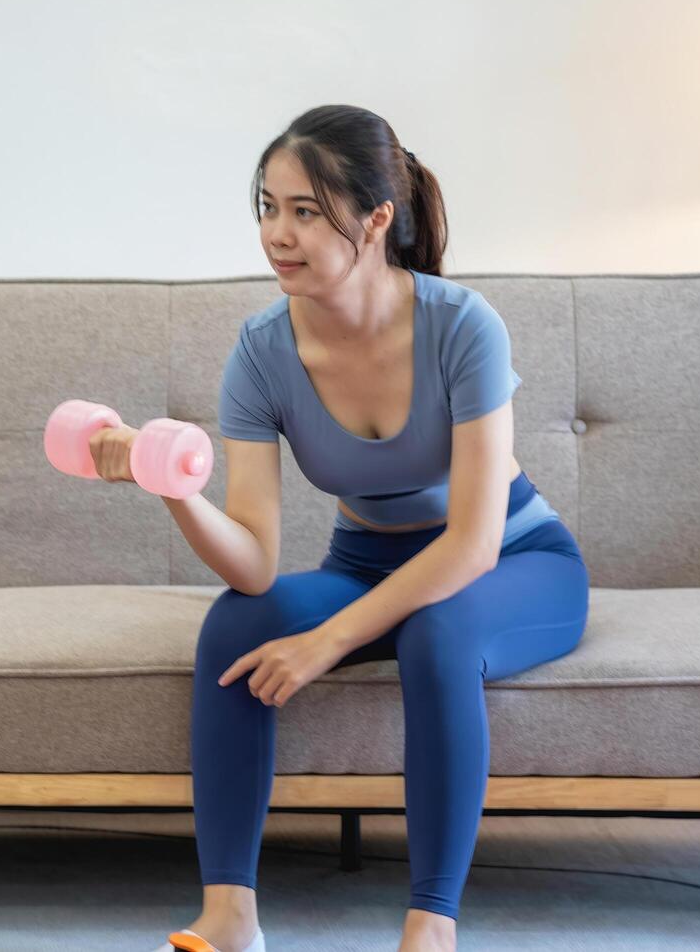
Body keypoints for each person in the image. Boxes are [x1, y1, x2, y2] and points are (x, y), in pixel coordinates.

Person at [91, 105, 590, 952]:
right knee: (237, 622)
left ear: (378, 218)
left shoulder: (462, 325)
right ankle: (230, 917)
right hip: (364, 563)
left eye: (307, 211)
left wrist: (325, 643)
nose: (277, 234)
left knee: (436, 634)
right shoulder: (260, 352)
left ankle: (430, 929)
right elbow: (253, 565)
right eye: (268, 206)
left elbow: (469, 544)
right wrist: (165, 484)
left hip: (510, 560)